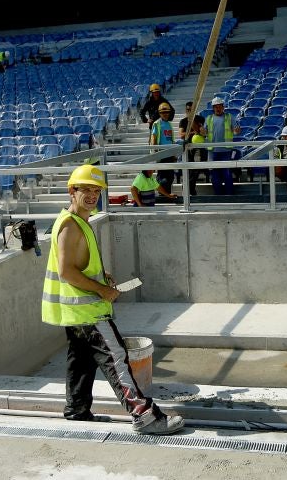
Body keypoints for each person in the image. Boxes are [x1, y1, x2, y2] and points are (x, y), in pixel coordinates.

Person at [42, 164, 185, 435]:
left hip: (76, 314)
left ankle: (77, 410)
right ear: (72, 191)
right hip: (89, 311)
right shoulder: (71, 226)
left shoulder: (77, 221)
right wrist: (101, 290)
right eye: (86, 190)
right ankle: (144, 416)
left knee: (81, 361)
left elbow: (77, 264)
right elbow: (66, 271)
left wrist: (101, 275)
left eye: (96, 191)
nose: (92, 195)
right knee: (117, 359)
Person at [205, 96, 240, 195]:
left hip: (226, 151)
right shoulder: (208, 119)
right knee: (215, 175)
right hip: (213, 151)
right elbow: (204, 133)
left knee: (227, 173)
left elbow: (236, 131)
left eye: (219, 106)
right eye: (215, 107)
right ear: (213, 108)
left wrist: (237, 131)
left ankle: (229, 195)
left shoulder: (229, 117)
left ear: (223, 107)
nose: (218, 108)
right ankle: (218, 195)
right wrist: (202, 132)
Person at [179, 101, 207, 195]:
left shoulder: (201, 119)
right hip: (187, 148)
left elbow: (201, 132)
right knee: (188, 170)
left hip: (198, 148)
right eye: (188, 110)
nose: (189, 111)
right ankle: (189, 191)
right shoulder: (183, 121)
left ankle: (188, 190)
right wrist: (191, 133)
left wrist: (192, 120)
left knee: (195, 169)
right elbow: (181, 135)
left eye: (191, 110)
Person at [150, 102, 176, 193]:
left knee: (170, 176)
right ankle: (162, 194)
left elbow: (171, 139)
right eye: (163, 112)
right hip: (161, 153)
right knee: (162, 177)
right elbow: (154, 138)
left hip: (169, 153)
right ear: (160, 113)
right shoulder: (157, 124)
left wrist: (174, 153)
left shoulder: (169, 124)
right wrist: (156, 154)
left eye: (167, 112)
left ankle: (167, 194)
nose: (165, 114)